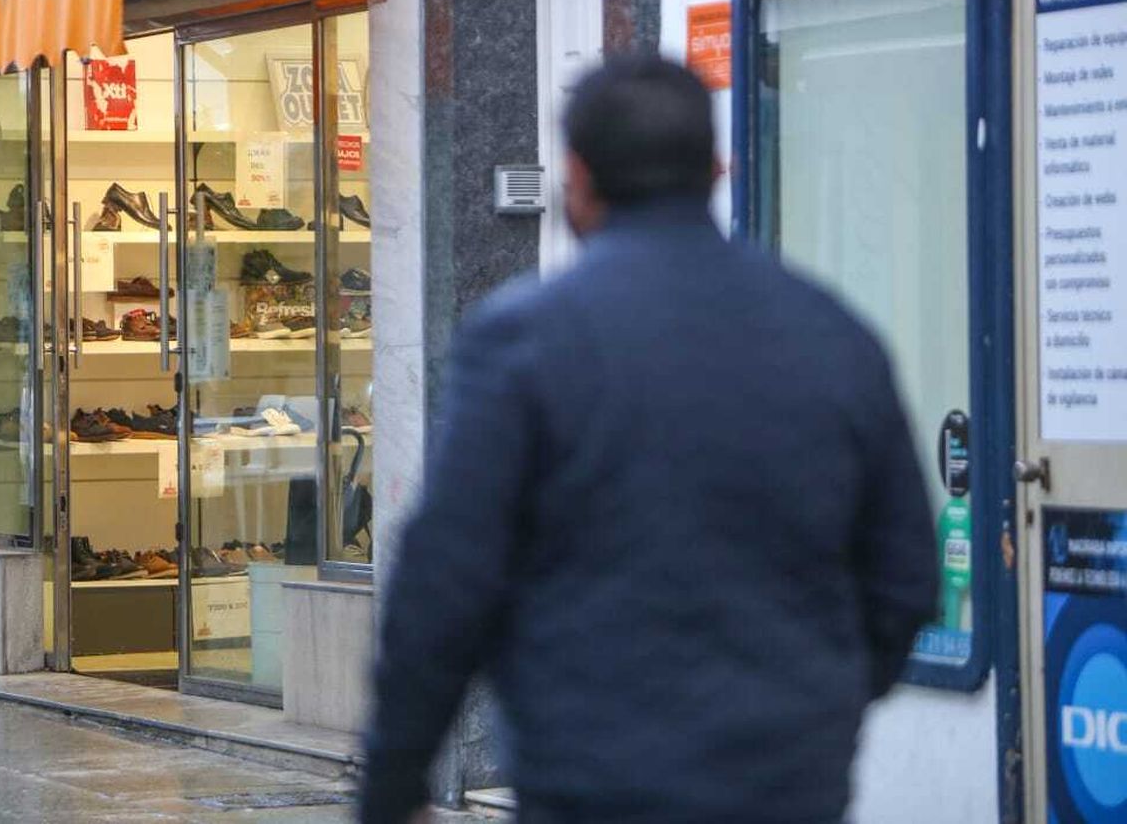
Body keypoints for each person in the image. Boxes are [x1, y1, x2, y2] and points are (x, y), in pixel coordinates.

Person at [359, 56, 937, 824]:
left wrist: (392, 785)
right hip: (790, 780)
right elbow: (904, 578)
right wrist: (817, 699)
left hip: (592, 781)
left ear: (577, 177)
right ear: (714, 170)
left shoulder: (524, 340)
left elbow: (444, 585)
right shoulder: (834, 333)